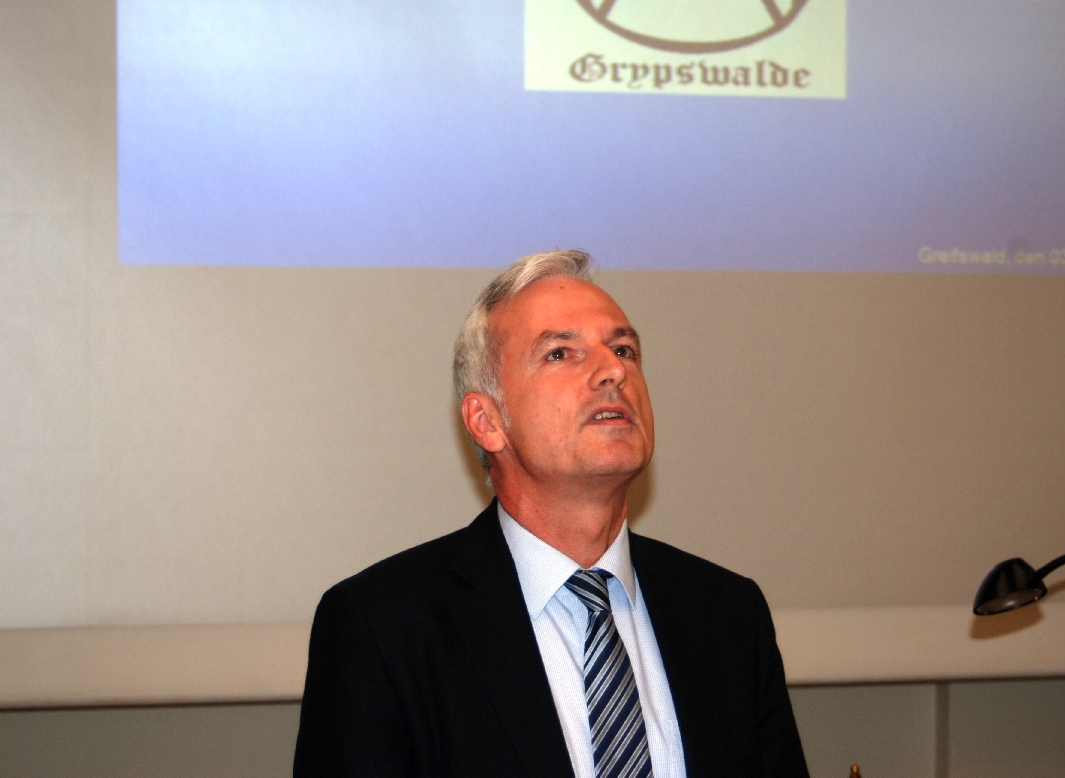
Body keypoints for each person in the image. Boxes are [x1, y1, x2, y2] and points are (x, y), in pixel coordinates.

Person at [294, 250, 809, 778]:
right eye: (560, 353)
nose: (613, 370)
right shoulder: (381, 628)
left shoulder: (728, 615)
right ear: (487, 421)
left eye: (624, 349)